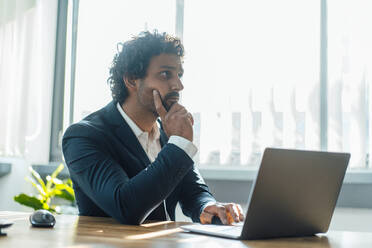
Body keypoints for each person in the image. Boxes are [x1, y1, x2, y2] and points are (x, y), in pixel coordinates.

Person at [62, 30, 244, 225]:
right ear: (131, 79)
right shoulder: (84, 136)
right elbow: (125, 207)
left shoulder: (167, 132)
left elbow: (193, 191)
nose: (178, 85)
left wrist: (207, 206)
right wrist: (179, 144)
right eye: (166, 74)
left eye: (179, 75)